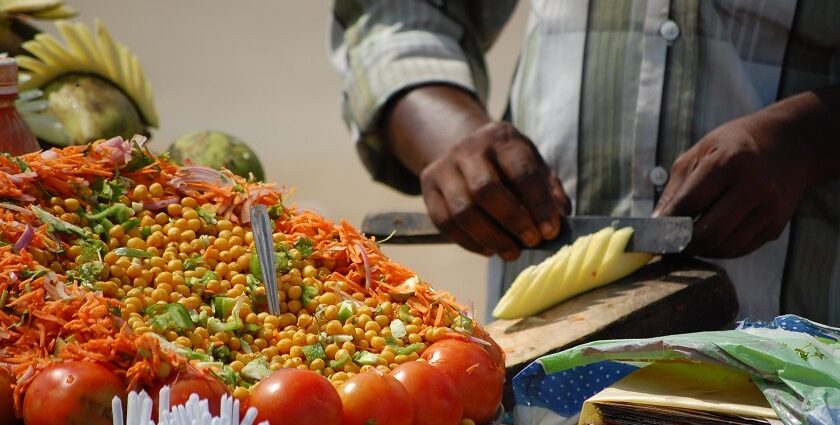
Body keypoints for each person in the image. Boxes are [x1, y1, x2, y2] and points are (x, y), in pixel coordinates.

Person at [329, 1, 840, 324]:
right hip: (545, 371)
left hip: (796, 373)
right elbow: (394, 14)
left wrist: (810, 139)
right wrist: (447, 134)